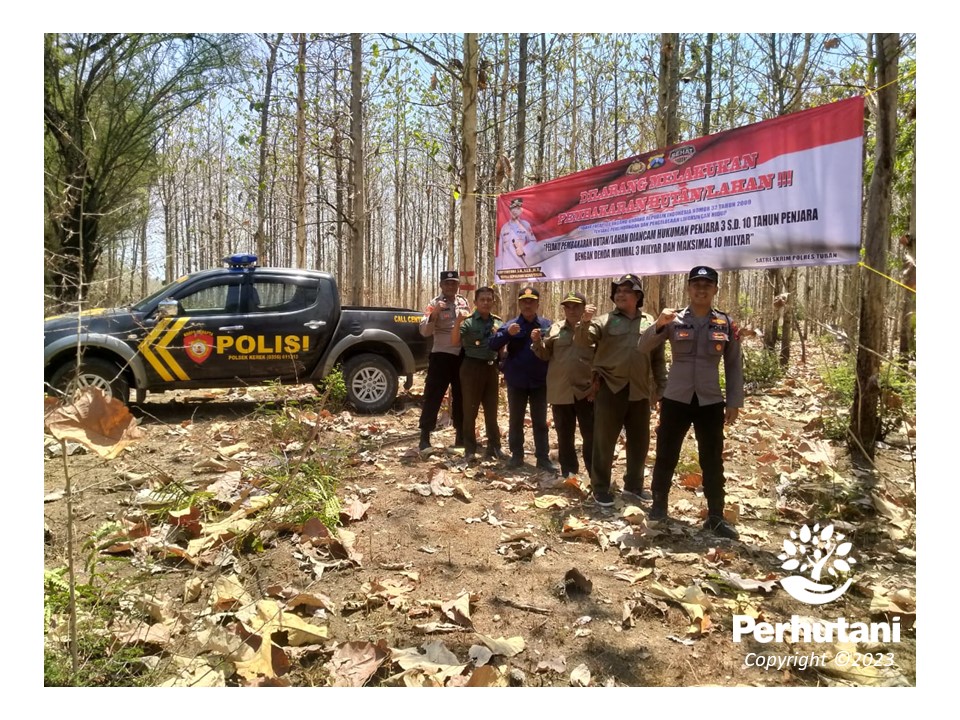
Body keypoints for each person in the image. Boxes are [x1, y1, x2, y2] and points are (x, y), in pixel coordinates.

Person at [638, 265, 744, 540]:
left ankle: (716, 516)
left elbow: (733, 365)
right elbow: (643, 346)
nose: (701, 289)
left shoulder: (725, 323)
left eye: (707, 285)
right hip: (676, 398)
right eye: (696, 284)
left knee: (712, 459)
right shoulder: (673, 319)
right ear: (688, 288)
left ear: (715, 290)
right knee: (666, 453)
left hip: (710, 400)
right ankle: (659, 506)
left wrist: (734, 401)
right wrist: (659, 323)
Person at [575, 274, 667, 508]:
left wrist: (661, 389)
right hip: (610, 388)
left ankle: (634, 486)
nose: (620, 293)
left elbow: (658, 359)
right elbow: (583, 341)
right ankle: (600, 488)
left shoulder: (650, 322)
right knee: (604, 441)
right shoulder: (603, 320)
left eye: (627, 290)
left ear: (638, 296)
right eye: (617, 290)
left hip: (640, 390)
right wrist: (584, 322)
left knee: (640, 441)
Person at [490, 286, 556, 471]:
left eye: (532, 301)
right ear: (519, 303)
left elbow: (554, 349)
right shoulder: (510, 325)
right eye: (524, 301)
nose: (528, 305)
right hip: (516, 380)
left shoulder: (546, 325)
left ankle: (542, 458)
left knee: (540, 421)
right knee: (516, 420)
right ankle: (516, 455)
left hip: (539, 381)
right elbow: (492, 344)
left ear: (537, 303)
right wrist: (506, 334)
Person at [532, 291, 596, 480]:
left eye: (576, 306)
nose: (571, 310)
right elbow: (545, 355)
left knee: (591, 435)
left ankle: (595, 474)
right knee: (564, 435)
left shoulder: (594, 328)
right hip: (560, 390)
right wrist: (537, 343)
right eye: (568, 306)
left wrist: (597, 385)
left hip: (586, 391)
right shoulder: (555, 329)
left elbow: (602, 358)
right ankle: (569, 473)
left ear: (584, 308)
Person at [417, 270, 470, 452]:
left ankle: (460, 436)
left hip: (461, 355)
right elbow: (424, 331)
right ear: (441, 285)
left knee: (461, 396)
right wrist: (435, 314)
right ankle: (425, 436)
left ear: (457, 285)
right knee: (433, 395)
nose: (450, 287)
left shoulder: (463, 302)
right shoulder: (434, 303)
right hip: (441, 354)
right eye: (447, 284)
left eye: (454, 283)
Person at [451, 286, 504, 461]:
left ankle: (494, 448)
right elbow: (454, 341)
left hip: (491, 368)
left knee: (491, 410)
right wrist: (458, 321)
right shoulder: (467, 322)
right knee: (470, 410)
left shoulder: (498, 322)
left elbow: (503, 349)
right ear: (475, 302)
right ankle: (470, 449)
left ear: (493, 302)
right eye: (482, 299)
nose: (486, 303)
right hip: (471, 368)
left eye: (489, 299)